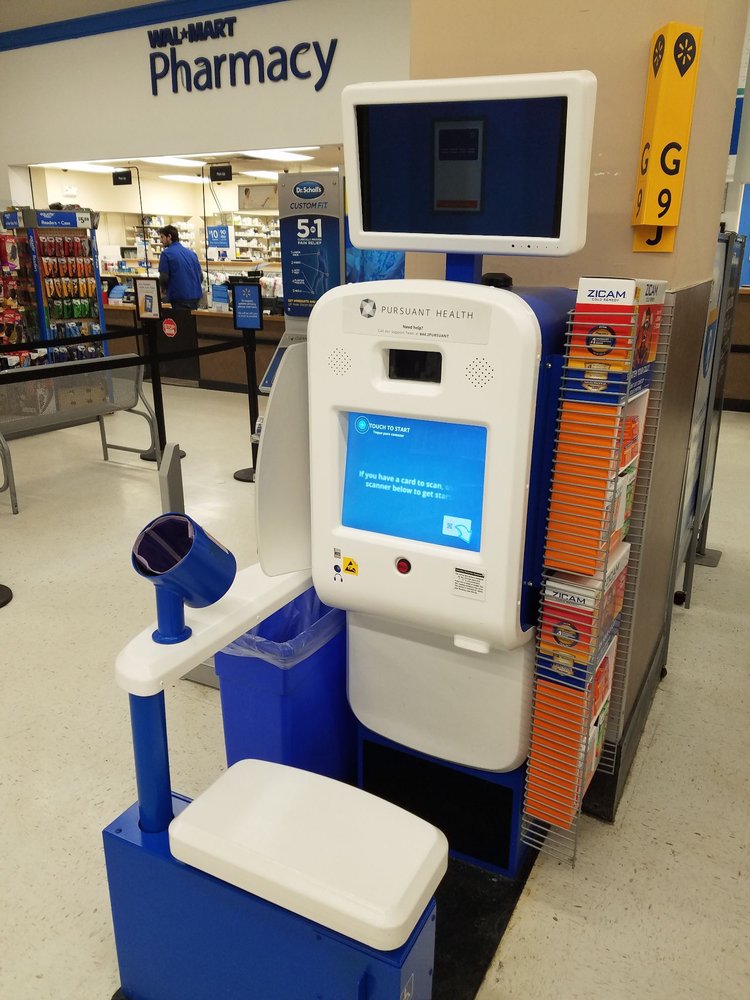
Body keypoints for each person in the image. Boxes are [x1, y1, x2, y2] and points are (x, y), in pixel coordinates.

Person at [157, 225, 203, 310]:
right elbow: (200, 277)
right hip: (195, 296)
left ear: (169, 237)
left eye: (162, 237)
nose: (161, 240)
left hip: (179, 297)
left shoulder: (166, 254)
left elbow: (164, 278)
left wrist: (163, 290)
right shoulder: (192, 254)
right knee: (191, 322)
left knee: (181, 322)